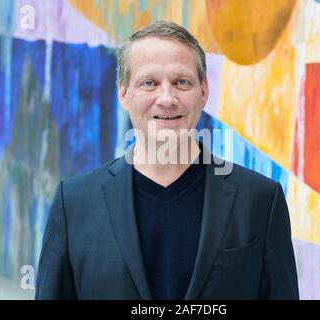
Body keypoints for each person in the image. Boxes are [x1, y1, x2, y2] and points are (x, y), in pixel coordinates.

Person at [35, 21, 299, 300]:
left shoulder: (260, 200)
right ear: (123, 93)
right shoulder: (74, 202)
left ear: (203, 91)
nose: (167, 98)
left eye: (181, 82)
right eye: (149, 83)